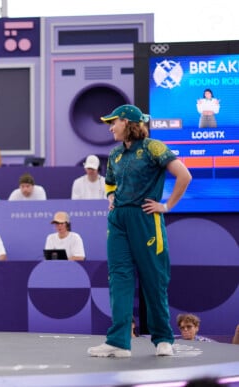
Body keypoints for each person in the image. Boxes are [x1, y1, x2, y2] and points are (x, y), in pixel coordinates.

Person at [87, 104, 192, 358]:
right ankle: (120, 342)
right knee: (119, 278)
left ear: (127, 122)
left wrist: (166, 205)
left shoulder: (153, 147)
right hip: (118, 220)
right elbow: (110, 183)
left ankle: (163, 339)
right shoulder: (114, 155)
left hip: (146, 218)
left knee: (153, 279)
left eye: (114, 123)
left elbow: (184, 175)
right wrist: (111, 197)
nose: (111, 128)